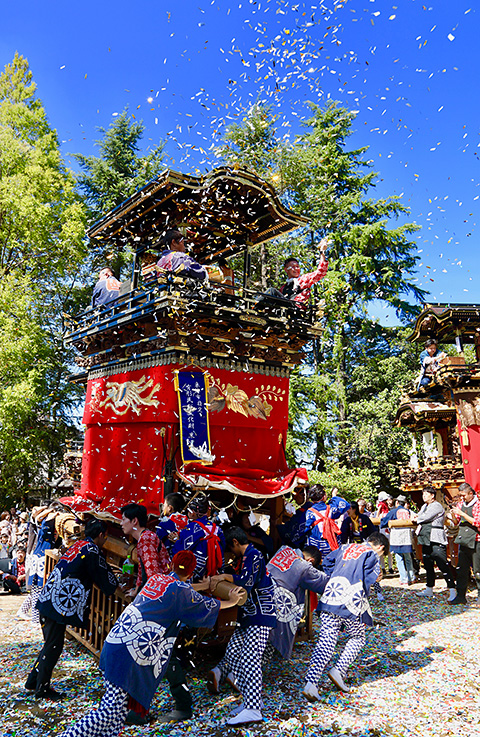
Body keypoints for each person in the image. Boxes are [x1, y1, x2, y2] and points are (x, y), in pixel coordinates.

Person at [58, 551, 241, 737]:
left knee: (119, 713)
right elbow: (205, 604)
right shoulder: (180, 591)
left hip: (118, 641)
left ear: (172, 565)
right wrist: (232, 601)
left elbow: (184, 590)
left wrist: (201, 585)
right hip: (128, 653)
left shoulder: (157, 580)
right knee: (109, 711)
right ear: (192, 571)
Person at [25, 519, 118, 700]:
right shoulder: (91, 550)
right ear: (101, 535)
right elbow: (104, 579)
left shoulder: (79, 545)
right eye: (106, 537)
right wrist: (115, 583)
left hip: (50, 600)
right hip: (57, 605)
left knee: (50, 644)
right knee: (53, 646)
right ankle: (42, 689)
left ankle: (33, 681)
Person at [302, 532, 389, 701]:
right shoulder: (371, 554)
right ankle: (338, 670)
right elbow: (370, 578)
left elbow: (327, 561)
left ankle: (311, 683)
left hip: (331, 594)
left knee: (326, 639)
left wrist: (335, 575)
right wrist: (373, 580)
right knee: (358, 637)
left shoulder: (345, 546)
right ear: (381, 547)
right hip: (351, 601)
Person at [208, 526, 277, 726]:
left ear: (235, 543)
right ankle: (249, 701)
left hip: (261, 614)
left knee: (250, 658)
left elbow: (247, 582)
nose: (232, 553)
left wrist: (225, 577)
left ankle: (254, 709)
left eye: (231, 548)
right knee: (234, 650)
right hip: (248, 616)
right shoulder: (245, 558)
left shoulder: (254, 555)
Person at [266, 545, 328, 660]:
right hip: (276, 606)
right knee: (265, 645)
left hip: (259, 594)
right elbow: (324, 582)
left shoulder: (284, 549)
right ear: (311, 561)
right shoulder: (304, 567)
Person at [412, 487, 456, 601]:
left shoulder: (436, 506)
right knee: (428, 564)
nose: (424, 496)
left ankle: (452, 589)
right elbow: (419, 515)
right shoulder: (424, 506)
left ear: (432, 495)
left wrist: (417, 518)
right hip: (426, 537)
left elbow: (424, 517)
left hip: (436, 537)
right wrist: (417, 517)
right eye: (423, 494)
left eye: (426, 494)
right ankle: (429, 588)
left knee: (442, 564)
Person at [121, 503, 170, 599]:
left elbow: (153, 574)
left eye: (123, 519)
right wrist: (136, 591)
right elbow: (142, 568)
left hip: (160, 593)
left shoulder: (146, 539)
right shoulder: (145, 537)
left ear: (134, 521)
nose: (121, 523)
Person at [172, 494, 225, 581]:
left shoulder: (191, 528)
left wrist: (176, 541)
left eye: (189, 511)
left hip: (196, 572)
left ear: (193, 512)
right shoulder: (217, 529)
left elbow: (182, 550)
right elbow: (223, 546)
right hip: (215, 571)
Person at [450, 482, 480, 605]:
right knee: (461, 570)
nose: (462, 498)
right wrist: (451, 516)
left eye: (464, 495)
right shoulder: (461, 504)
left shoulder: (478, 505)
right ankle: (460, 596)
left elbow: (478, 522)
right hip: (463, 540)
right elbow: (456, 522)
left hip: (477, 541)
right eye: (460, 495)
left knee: (478, 571)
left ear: (471, 493)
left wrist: (462, 514)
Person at [280, 238, 329, 308]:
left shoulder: (302, 280)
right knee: (271, 294)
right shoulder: (283, 287)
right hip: (284, 309)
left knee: (271, 291)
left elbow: (320, 272)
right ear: (286, 270)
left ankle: (258, 305)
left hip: (295, 308)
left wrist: (322, 252)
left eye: (297, 266)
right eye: (293, 267)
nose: (296, 269)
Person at [305, 485, 350, 559]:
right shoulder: (331, 508)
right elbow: (345, 505)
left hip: (316, 544)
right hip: (331, 542)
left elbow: (305, 528)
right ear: (323, 496)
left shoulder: (309, 512)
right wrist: (334, 496)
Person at [380, 495, 416, 585]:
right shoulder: (408, 511)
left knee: (399, 558)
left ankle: (403, 578)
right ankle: (411, 577)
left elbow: (384, 521)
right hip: (407, 537)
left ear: (397, 503)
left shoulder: (393, 511)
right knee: (408, 558)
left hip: (397, 537)